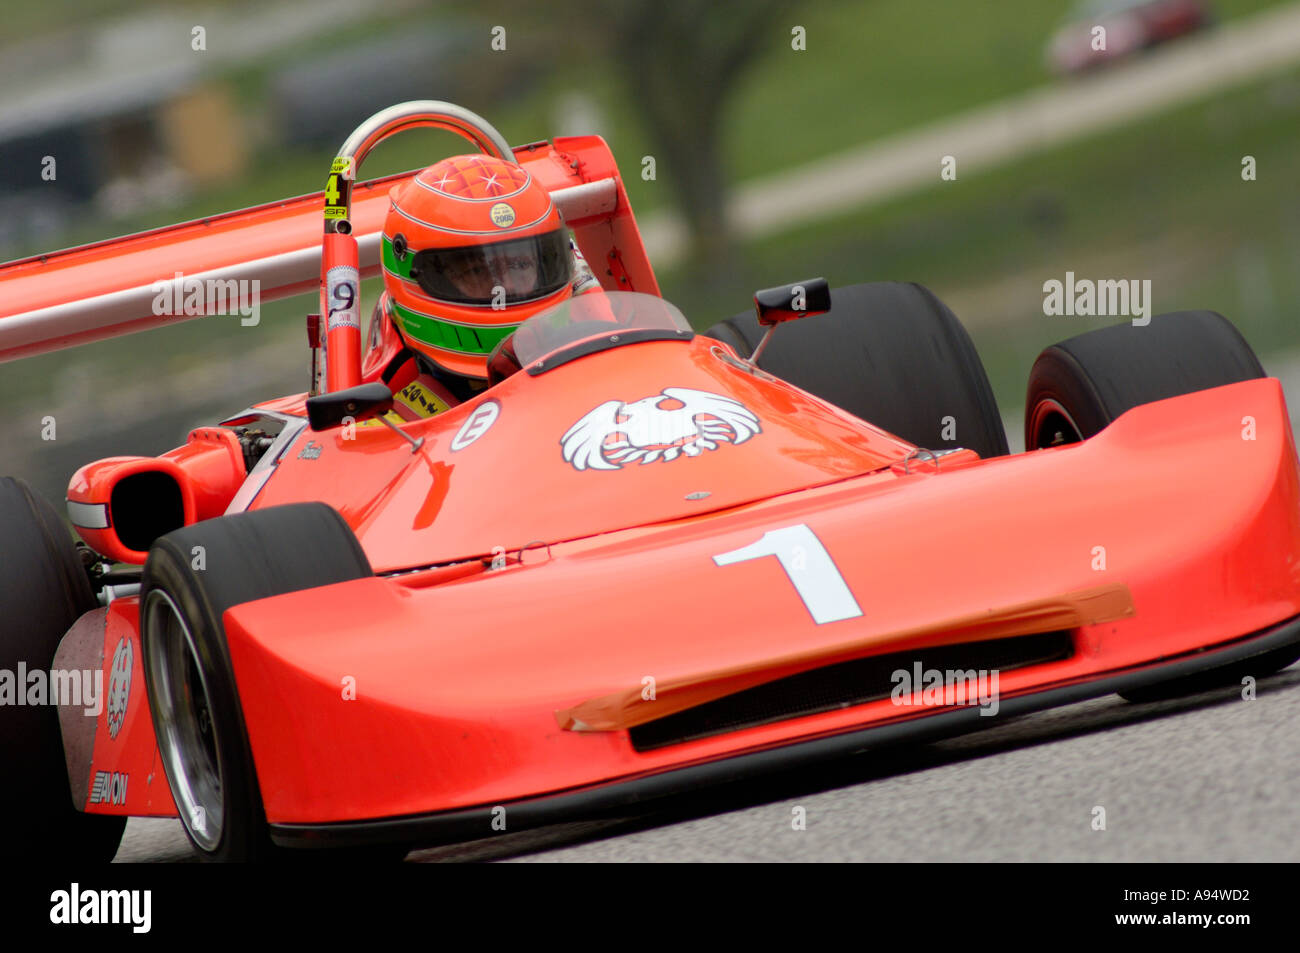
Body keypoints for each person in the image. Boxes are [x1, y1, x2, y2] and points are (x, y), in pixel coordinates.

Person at [367, 153, 600, 424]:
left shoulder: (607, 377)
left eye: (521, 264)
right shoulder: (393, 433)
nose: (507, 288)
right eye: (478, 271)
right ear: (417, 279)